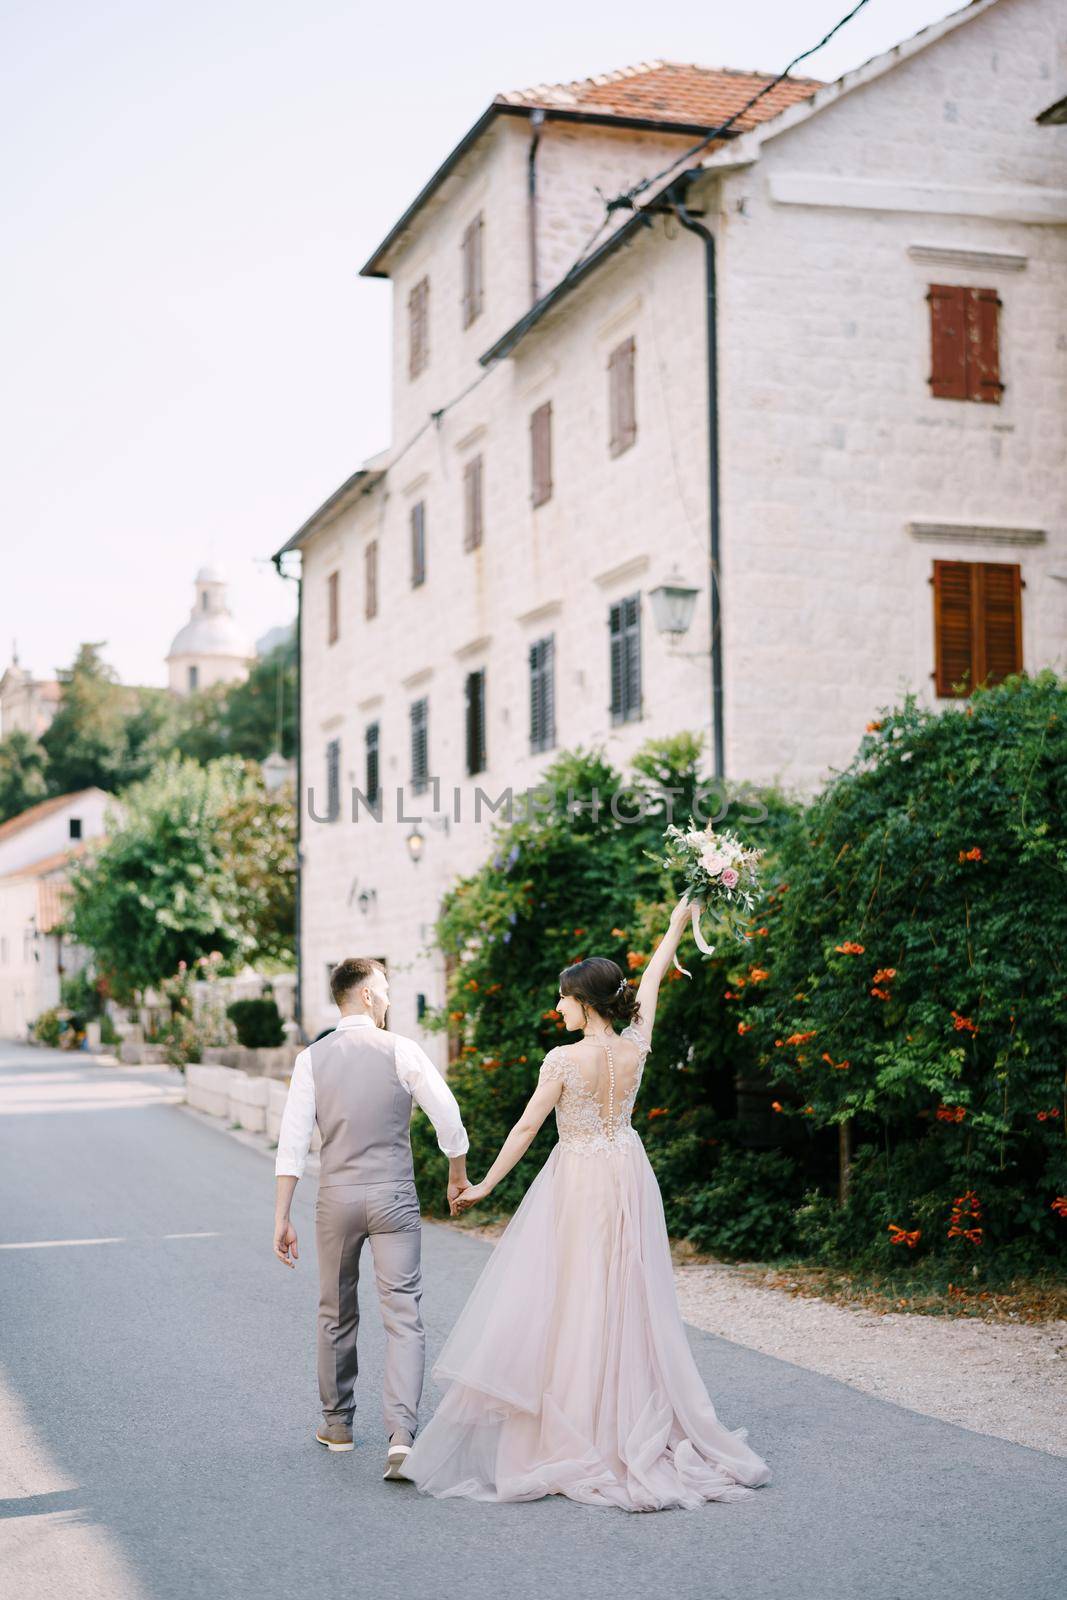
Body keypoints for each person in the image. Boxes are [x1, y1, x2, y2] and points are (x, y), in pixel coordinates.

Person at [400, 897, 770, 1511]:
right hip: (626, 1168)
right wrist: (677, 925)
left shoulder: (564, 1060)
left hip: (578, 1176)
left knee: (572, 1292)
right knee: (624, 1291)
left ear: (587, 1003)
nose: (558, 1006)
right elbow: (650, 980)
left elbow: (525, 1129)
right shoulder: (635, 1045)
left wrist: (486, 1185)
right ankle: (621, 1415)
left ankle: (579, 1423)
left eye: (564, 998)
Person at [272, 957, 469, 1481]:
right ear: (363, 995)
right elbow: (447, 1117)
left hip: (335, 1200)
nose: (387, 998)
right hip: (394, 1198)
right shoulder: (401, 1049)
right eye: (382, 989)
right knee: (404, 1315)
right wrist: (456, 1173)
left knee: (334, 1311)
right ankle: (402, 1437)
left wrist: (281, 1215)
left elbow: (292, 1143)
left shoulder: (311, 1060)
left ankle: (337, 1425)